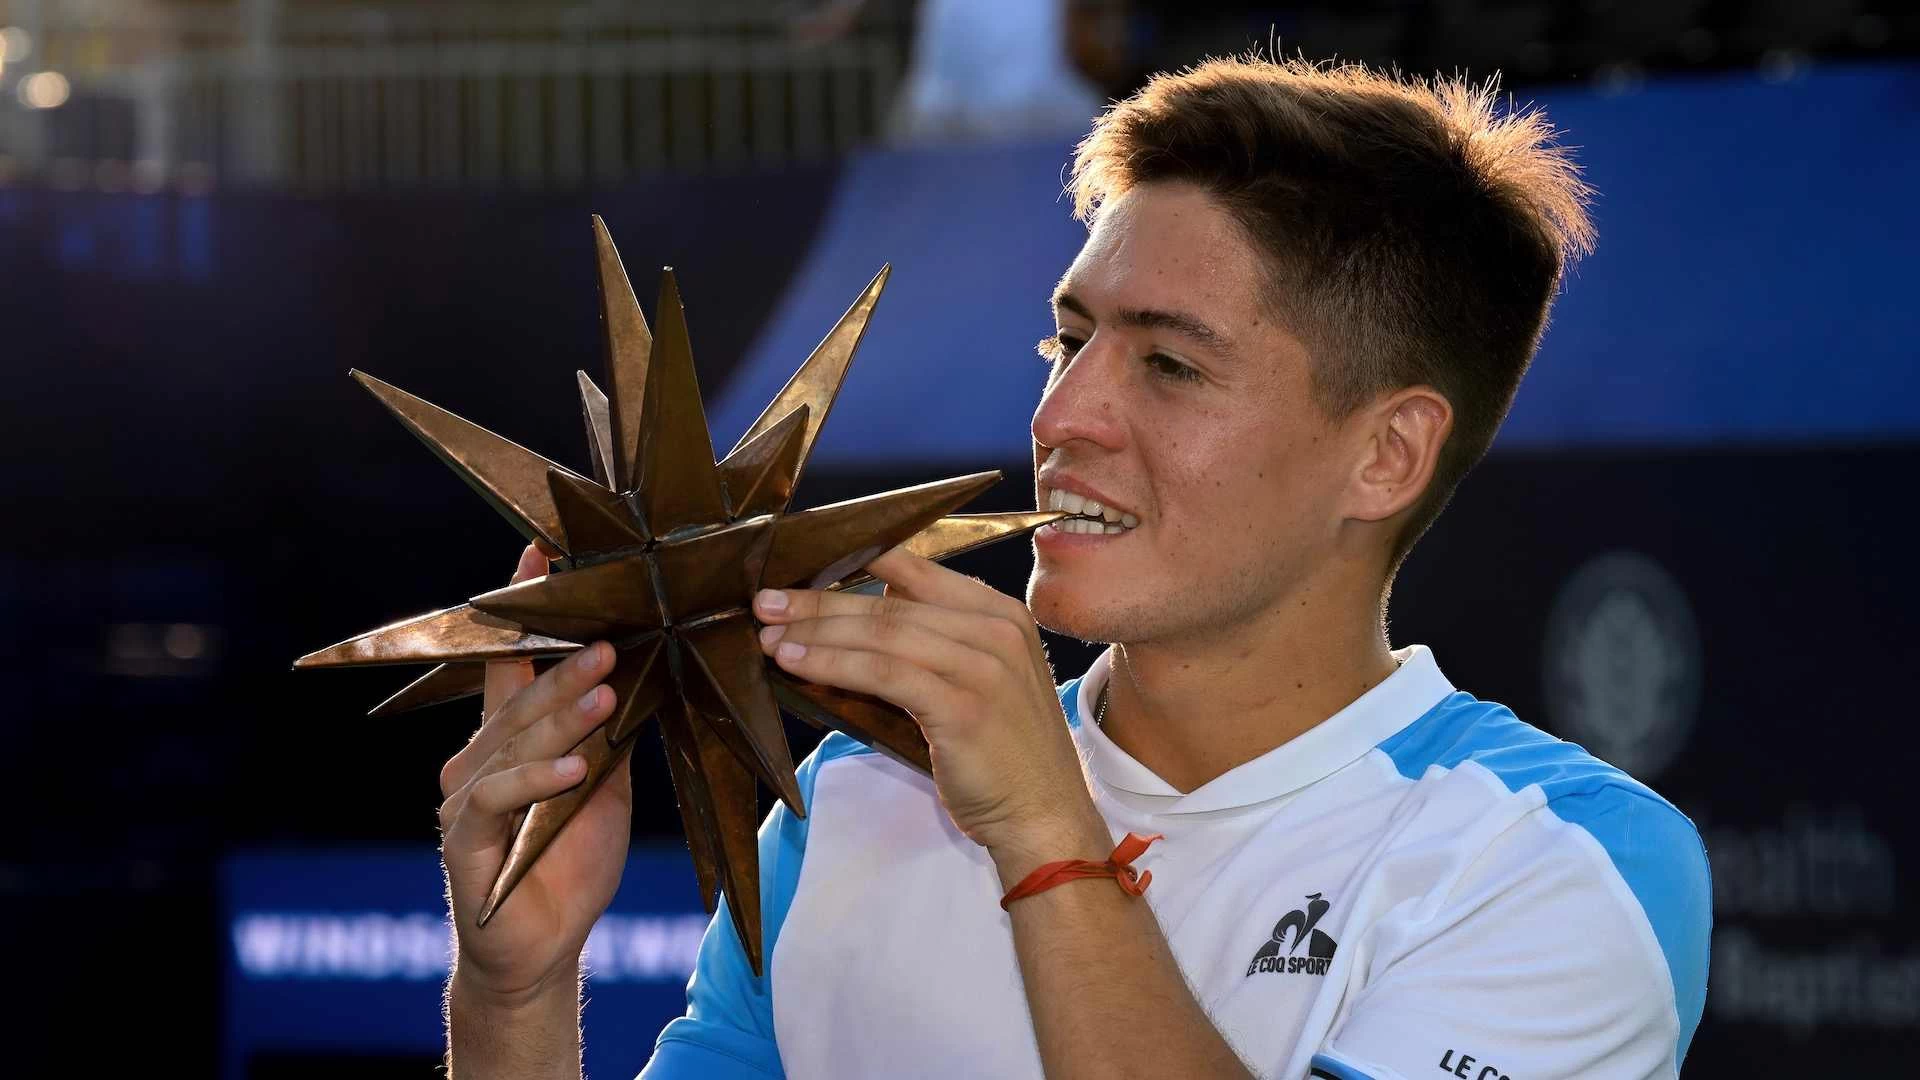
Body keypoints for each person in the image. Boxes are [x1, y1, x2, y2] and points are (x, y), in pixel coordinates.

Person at [436, 55, 1712, 1079]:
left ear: (1386, 456)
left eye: (1170, 364)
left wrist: (1048, 838)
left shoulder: (1553, 864)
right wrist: (518, 995)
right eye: (1067, 341)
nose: (1060, 418)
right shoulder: (848, 807)